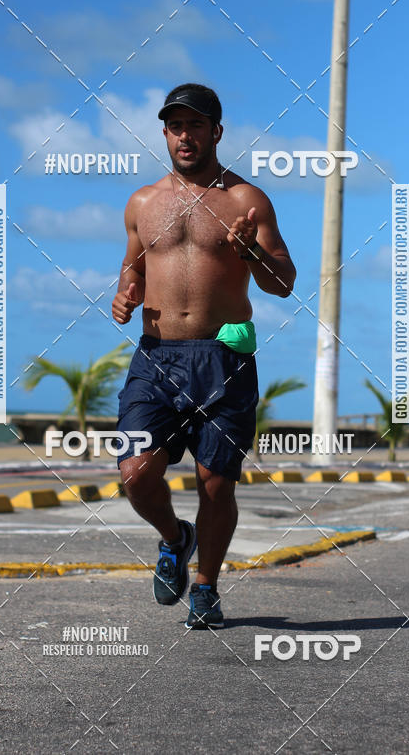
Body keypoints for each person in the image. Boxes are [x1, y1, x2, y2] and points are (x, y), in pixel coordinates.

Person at [112, 83, 296, 629]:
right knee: (135, 473)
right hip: (156, 358)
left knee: (216, 481)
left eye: (196, 125)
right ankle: (175, 538)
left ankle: (207, 588)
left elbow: (283, 283)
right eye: (175, 126)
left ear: (217, 131)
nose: (185, 136)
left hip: (224, 357)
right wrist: (125, 291)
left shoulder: (247, 201)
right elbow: (133, 266)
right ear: (165, 133)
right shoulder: (142, 203)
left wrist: (251, 251)